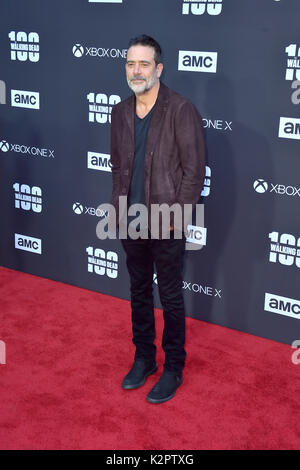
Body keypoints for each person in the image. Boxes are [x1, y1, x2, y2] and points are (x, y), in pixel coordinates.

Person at [110, 34, 205, 404]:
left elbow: (194, 172)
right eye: (131, 64)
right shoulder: (119, 111)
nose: (137, 71)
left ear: (159, 68)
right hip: (129, 220)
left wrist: (174, 218)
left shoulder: (181, 110)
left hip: (166, 221)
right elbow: (118, 166)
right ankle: (144, 358)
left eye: (144, 64)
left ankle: (174, 367)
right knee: (137, 292)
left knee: (170, 295)